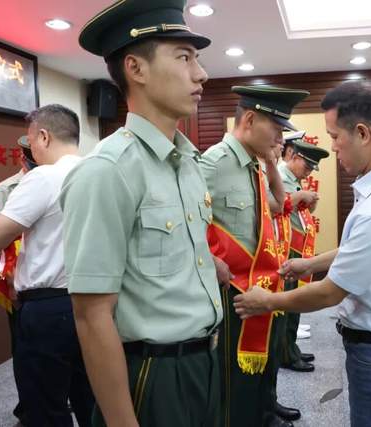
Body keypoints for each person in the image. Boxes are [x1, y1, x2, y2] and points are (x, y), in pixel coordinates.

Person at [60, 1, 224, 426]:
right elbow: (91, 316)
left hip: (205, 361)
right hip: (152, 373)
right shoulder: (107, 171)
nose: (201, 74)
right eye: (184, 57)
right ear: (136, 69)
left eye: (197, 59)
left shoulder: (187, 162)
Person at [233, 80, 371, 427]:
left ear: (363, 133)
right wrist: (311, 263)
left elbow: (329, 292)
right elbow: (359, 249)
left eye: (335, 136)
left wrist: (267, 302)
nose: (333, 147)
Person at [200, 85, 312, 427]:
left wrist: (271, 163)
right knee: (233, 384)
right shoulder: (215, 163)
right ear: (249, 120)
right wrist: (211, 261)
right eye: (276, 129)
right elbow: (184, 219)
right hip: (229, 291)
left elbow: (278, 204)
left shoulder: (253, 165)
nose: (280, 139)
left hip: (257, 286)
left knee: (253, 375)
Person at [0, 104, 94, 426]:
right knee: (90, 397)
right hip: (96, 303)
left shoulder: (43, 176)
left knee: (45, 404)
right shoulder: (99, 172)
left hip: (50, 308)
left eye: (30, 142)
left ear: (43, 137)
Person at [0, 134, 37, 424]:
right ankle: (27, 406)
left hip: (53, 282)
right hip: (17, 282)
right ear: (23, 158)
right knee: (24, 348)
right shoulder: (6, 190)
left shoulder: (60, 180)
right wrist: (10, 281)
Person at [277, 132, 328, 373]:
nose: (308, 172)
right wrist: (299, 196)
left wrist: (308, 201)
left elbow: (299, 212)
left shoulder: (292, 178)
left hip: (296, 249)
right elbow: (276, 204)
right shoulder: (279, 175)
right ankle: (287, 355)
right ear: (293, 156)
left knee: (294, 305)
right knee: (288, 306)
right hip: (286, 250)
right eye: (307, 166)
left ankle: (291, 349)